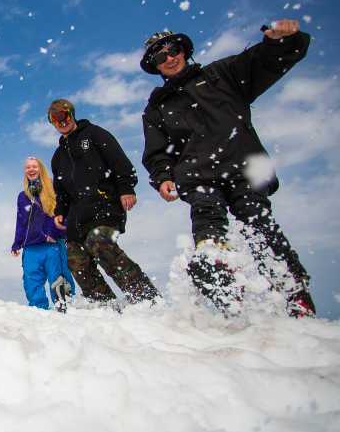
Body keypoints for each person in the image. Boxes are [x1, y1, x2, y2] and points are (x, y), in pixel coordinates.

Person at [140, 20, 315, 317]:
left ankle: (294, 295)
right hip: (198, 178)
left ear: (184, 51)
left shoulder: (222, 74)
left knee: (258, 225)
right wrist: (162, 178)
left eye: (174, 50)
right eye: (161, 56)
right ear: (155, 66)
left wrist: (280, 42)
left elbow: (265, 61)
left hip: (243, 168)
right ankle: (226, 290)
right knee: (207, 222)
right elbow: (157, 153)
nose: (169, 58)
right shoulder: (157, 108)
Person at [49, 99, 159, 305]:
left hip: (104, 206)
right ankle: (105, 306)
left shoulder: (95, 134)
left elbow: (120, 162)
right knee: (74, 257)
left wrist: (126, 188)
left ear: (72, 114)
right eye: (55, 119)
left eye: (65, 116)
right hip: (78, 217)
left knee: (99, 242)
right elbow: (61, 190)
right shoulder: (58, 156)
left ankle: (146, 299)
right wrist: (60, 211)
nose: (61, 122)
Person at [11, 157, 75, 311]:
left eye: (34, 166)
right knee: (31, 281)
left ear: (41, 169)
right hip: (31, 247)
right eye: (28, 167)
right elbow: (21, 221)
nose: (31, 169)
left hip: (51, 245)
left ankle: (63, 308)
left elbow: (64, 215)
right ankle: (38, 311)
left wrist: (54, 233)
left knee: (58, 279)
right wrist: (17, 243)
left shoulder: (54, 191)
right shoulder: (23, 196)